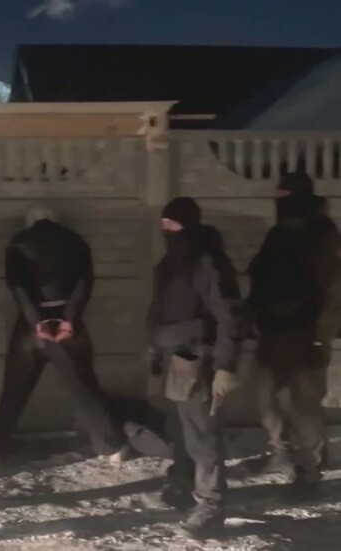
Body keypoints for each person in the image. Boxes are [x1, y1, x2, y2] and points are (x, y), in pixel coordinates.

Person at [0, 204, 162, 471]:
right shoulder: (76, 242)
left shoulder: (19, 244)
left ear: (30, 222)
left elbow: (19, 289)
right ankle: (112, 447)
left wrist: (36, 322)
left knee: (14, 389)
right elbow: (85, 282)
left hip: (32, 325)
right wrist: (70, 318)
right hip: (68, 323)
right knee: (84, 387)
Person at [147, 197, 242, 537]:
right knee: (180, 431)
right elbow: (162, 308)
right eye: (163, 225)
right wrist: (155, 350)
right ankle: (182, 486)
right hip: (174, 359)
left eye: (173, 225)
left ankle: (211, 505)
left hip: (201, 360)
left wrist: (226, 366)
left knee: (203, 435)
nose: (166, 231)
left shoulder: (208, 264)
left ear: (189, 226)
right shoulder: (170, 263)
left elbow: (229, 316)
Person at [247, 171, 341, 501]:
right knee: (267, 398)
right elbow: (263, 277)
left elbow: (328, 289)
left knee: (303, 405)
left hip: (305, 332)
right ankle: (282, 453)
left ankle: (310, 472)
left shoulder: (321, 233)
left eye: (285, 196)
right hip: (273, 331)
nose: (279, 203)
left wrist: (318, 333)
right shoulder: (279, 234)